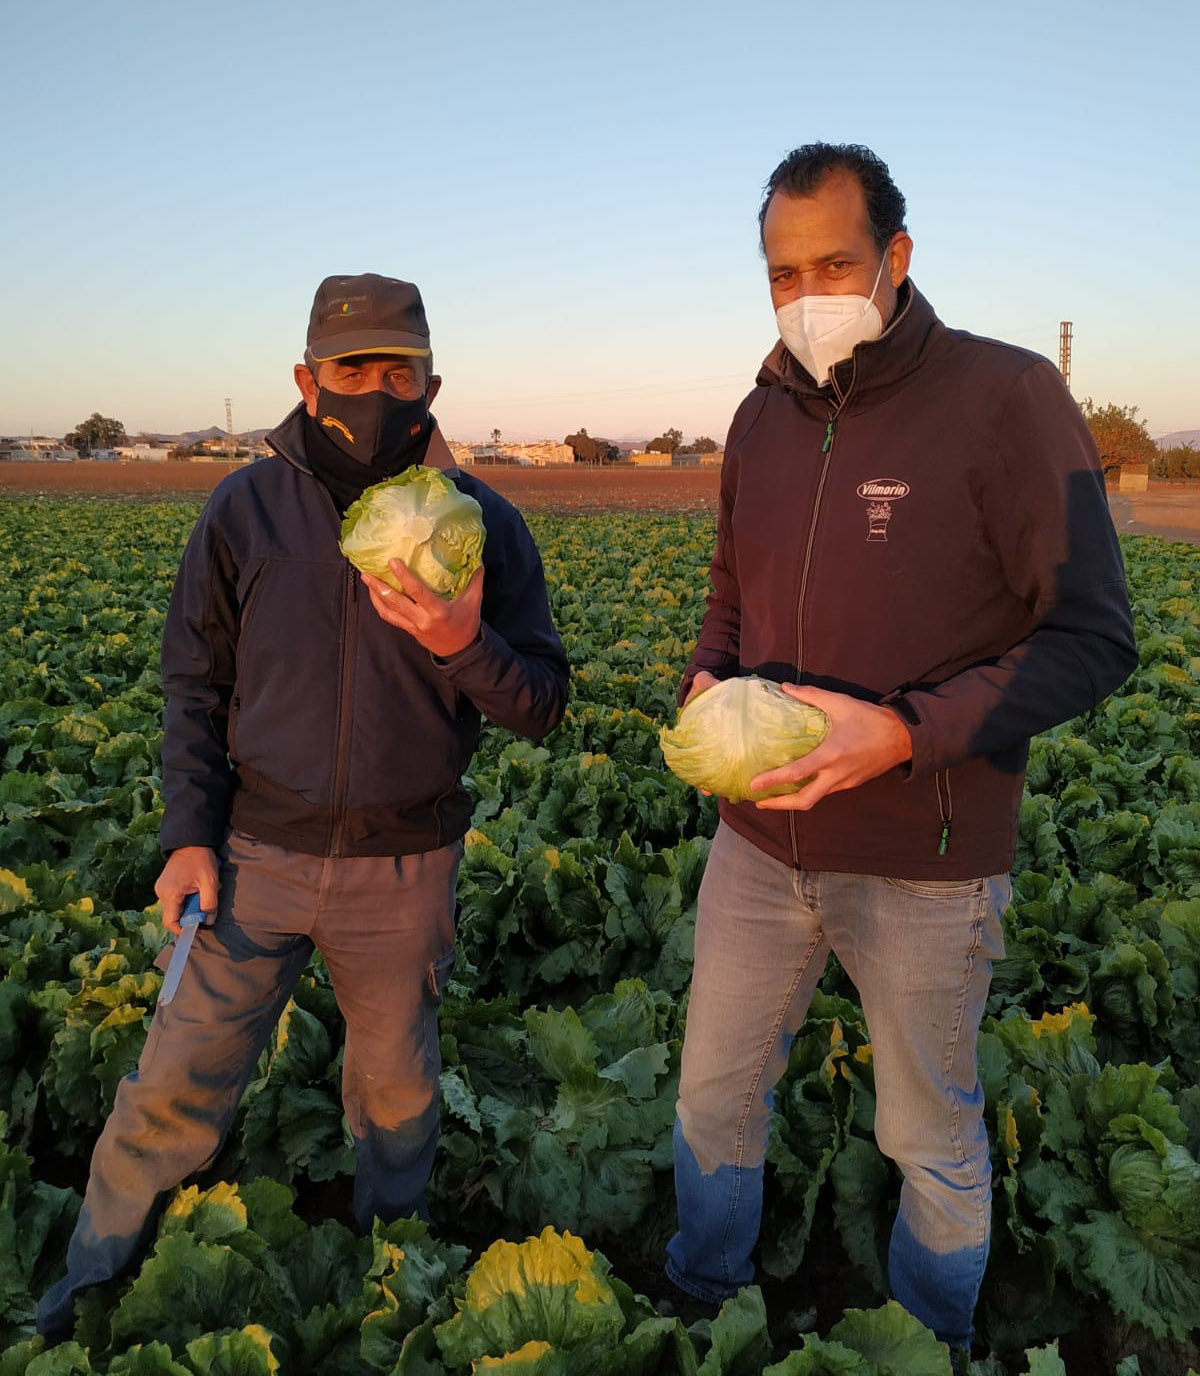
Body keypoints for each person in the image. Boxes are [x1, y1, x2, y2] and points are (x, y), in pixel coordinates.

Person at [664, 144, 1136, 1359]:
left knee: (928, 1134)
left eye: (833, 261)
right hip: (758, 844)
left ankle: (926, 1341)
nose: (806, 292)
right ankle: (699, 1300)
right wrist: (709, 678)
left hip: (927, 860)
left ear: (897, 257)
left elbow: (1091, 636)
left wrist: (908, 732)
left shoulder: (1008, 396)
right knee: (713, 1102)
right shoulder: (759, 416)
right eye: (782, 272)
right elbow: (729, 592)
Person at [38, 273, 569, 1338]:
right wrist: (187, 833)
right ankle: (83, 1290)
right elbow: (196, 681)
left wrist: (461, 643)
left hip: (403, 865)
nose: (374, 388)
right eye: (349, 367)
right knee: (175, 1079)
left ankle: (394, 1292)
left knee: (397, 1099)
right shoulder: (244, 508)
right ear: (304, 377)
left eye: (397, 369)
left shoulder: (484, 525)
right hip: (252, 857)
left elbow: (542, 704)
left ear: (430, 381)